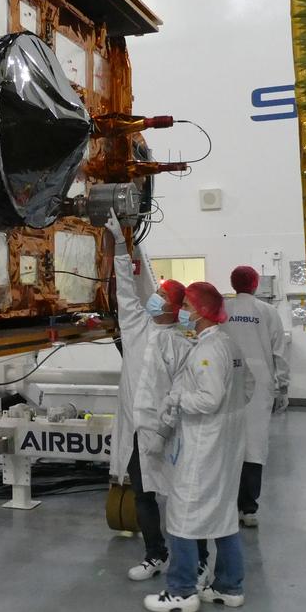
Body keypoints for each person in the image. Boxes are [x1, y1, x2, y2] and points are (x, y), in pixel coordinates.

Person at [144, 282, 253, 612]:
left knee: (184, 515)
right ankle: (228, 586)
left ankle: (181, 591)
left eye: (189, 308)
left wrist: (177, 401)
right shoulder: (229, 345)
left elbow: (209, 399)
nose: (184, 313)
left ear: (202, 313)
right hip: (228, 441)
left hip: (205, 443)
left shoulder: (207, 351)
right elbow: (247, 386)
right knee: (222, 515)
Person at [107, 216, 200, 580]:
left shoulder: (182, 343)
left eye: (161, 295)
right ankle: (155, 553)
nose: (153, 297)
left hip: (171, 431)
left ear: (174, 307)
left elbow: (187, 390)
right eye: (157, 292)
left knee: (179, 497)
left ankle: (191, 559)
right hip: (139, 431)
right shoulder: (134, 325)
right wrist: (120, 243)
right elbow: (125, 289)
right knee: (143, 495)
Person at [222, 265, 289, 528]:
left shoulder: (223, 310)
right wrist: (282, 387)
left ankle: (226, 504)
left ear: (232, 282)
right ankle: (248, 509)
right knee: (255, 447)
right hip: (261, 386)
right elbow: (280, 352)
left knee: (227, 443)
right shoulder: (268, 312)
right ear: (256, 284)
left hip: (226, 382)